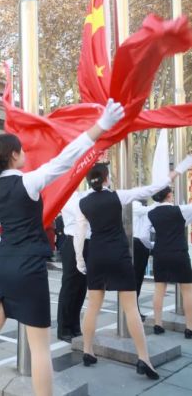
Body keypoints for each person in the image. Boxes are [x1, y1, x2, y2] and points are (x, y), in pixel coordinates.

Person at [0, 99, 124, 396]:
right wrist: (101, 127)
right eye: (21, 150)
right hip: (29, 269)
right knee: (39, 349)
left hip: (2, 267)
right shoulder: (30, 182)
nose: (25, 153)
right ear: (14, 155)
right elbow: (66, 158)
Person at [75, 162, 186, 379]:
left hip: (96, 255)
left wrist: (81, 261)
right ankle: (144, 358)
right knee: (131, 308)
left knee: (92, 306)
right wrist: (173, 174)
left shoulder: (83, 203)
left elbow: (80, 235)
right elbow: (149, 190)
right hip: (118, 254)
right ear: (106, 179)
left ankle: (88, 351)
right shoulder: (118, 196)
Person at [144, 186, 192, 338]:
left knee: (159, 289)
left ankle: (158, 324)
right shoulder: (181, 210)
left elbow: (145, 236)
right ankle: (189, 328)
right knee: (188, 290)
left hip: (161, 253)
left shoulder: (150, 213)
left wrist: (154, 246)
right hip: (179, 252)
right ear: (170, 194)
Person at [56, 190, 91, 343]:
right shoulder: (68, 196)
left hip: (88, 242)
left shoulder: (83, 195)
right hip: (73, 242)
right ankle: (64, 328)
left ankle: (75, 325)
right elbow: (82, 211)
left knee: (81, 287)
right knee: (70, 287)